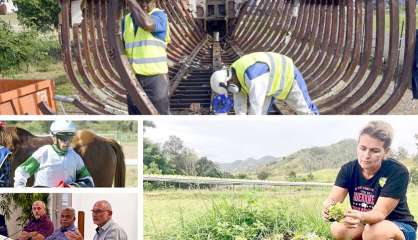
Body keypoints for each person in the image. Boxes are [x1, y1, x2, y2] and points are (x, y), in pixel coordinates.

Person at [322, 121, 417, 240]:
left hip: (398, 224)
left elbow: (379, 213)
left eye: (374, 151)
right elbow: (333, 200)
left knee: (375, 232)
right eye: (362, 148)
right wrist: (328, 208)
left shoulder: (397, 171)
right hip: (366, 223)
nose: (366, 155)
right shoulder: (348, 169)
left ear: (385, 151)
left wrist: (359, 216)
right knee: (338, 228)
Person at [210, 52, 319, 115]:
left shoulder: (253, 76)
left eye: (229, 88)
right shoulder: (234, 76)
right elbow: (239, 106)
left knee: (305, 112)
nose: (231, 91)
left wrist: (251, 130)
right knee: (260, 115)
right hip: (270, 86)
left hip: (287, 76)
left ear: (228, 79)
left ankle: (320, 136)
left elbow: (256, 106)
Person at [122, 0, 171, 115]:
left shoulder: (159, 16)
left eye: (148, 1)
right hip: (133, 79)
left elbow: (147, 24)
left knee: (159, 117)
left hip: (155, 80)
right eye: (141, 1)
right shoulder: (126, 20)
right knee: (135, 115)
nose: (144, 3)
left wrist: (132, 2)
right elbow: (122, 45)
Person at [14, 120, 94, 188]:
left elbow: (89, 181)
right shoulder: (43, 152)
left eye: (70, 138)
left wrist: (69, 187)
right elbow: (21, 171)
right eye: (63, 138)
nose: (67, 142)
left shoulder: (75, 156)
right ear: (53, 137)